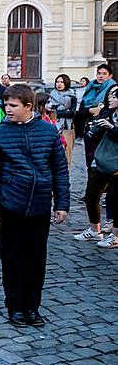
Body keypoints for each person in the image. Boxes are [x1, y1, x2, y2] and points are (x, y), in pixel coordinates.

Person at [0, 84, 70, 327]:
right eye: (6, 105)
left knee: (36, 259)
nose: (7, 110)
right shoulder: (0, 133)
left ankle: (32, 307)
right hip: (11, 205)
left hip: (40, 205)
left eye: (13, 106)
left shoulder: (48, 131)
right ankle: (15, 307)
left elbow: (60, 170)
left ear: (28, 106)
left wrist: (61, 203)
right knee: (12, 259)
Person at [74, 85, 118, 245]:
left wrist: (111, 128)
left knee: (114, 199)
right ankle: (94, 230)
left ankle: (115, 236)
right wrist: (93, 129)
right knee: (91, 195)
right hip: (100, 159)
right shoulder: (107, 113)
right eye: (110, 95)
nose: (110, 98)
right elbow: (94, 138)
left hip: (116, 163)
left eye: (114, 96)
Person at [80, 65, 116, 168]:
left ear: (110, 76)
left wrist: (101, 110)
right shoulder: (90, 87)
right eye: (99, 73)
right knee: (90, 161)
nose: (101, 76)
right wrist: (89, 110)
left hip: (104, 130)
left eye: (104, 74)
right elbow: (80, 111)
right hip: (89, 128)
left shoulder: (113, 89)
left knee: (102, 160)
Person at [47, 74, 77, 168]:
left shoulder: (72, 95)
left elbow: (72, 113)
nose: (59, 84)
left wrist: (57, 112)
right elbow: (48, 111)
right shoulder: (51, 95)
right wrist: (64, 111)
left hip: (67, 129)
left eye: (62, 82)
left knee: (66, 156)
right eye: (57, 82)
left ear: (66, 83)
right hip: (53, 128)